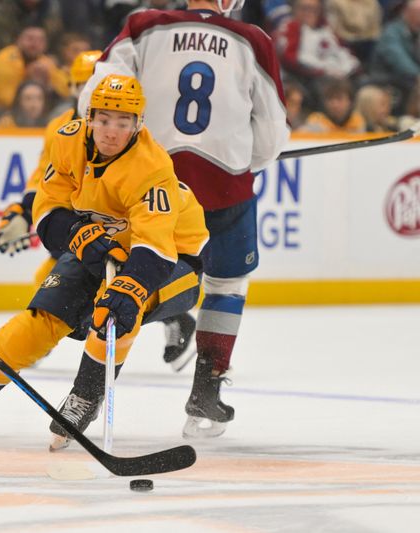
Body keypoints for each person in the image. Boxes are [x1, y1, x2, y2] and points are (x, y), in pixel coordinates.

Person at [0, 74, 209, 450]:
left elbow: (154, 248)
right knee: (40, 321)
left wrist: (128, 289)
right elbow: (47, 208)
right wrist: (77, 234)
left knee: (117, 315)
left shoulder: (152, 169)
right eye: (104, 120)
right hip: (102, 245)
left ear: (138, 125)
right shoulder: (67, 139)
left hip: (174, 260)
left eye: (123, 123)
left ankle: (85, 399)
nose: (111, 132)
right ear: (89, 117)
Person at [78, 0, 290, 438]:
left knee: (129, 280)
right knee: (226, 286)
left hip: (150, 187)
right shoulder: (253, 39)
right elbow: (271, 137)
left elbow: (92, 101)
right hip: (224, 187)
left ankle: (86, 396)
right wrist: (233, 161)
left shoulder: (142, 26)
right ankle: (205, 396)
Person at [0, 49, 198, 371]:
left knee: (135, 284)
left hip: (124, 223)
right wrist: (22, 211)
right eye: (77, 84)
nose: (81, 91)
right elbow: (45, 179)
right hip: (83, 219)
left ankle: (173, 317)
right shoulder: (62, 130)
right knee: (51, 277)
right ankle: (46, 333)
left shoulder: (123, 126)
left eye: (89, 83)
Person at [299, 77, 366, 133]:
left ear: (349, 101)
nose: (335, 104)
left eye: (339, 98)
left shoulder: (357, 120)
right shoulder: (316, 120)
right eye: (330, 99)